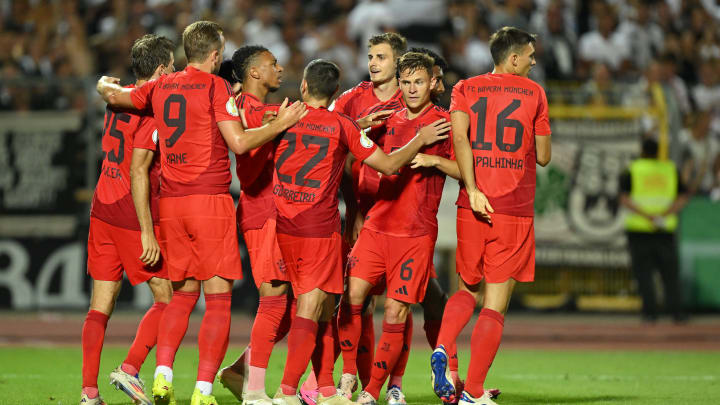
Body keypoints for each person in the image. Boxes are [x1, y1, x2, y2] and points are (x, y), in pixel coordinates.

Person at [96, 21, 306, 405]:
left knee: (180, 296)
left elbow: (120, 97)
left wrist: (103, 86)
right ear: (215, 54)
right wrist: (280, 125)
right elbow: (240, 144)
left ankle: (161, 376)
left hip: (171, 206)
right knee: (219, 299)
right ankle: (203, 391)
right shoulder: (216, 86)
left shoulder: (161, 85)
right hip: (209, 201)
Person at [270, 59, 448, 405]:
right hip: (321, 228)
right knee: (316, 306)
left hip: (279, 223)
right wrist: (420, 142)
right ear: (336, 93)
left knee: (300, 306)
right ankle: (289, 390)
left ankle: (332, 388)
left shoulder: (281, 118)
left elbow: (243, 142)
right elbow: (391, 164)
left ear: (303, 87)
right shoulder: (343, 126)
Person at [430, 26, 551, 405]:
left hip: (472, 204)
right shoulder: (535, 93)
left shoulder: (465, 87)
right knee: (495, 303)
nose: (533, 62)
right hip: (512, 209)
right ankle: (476, 392)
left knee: (467, 288)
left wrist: (473, 188)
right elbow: (545, 156)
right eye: (530, 56)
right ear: (513, 58)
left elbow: (460, 139)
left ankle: (443, 347)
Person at [343, 52, 451, 405]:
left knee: (396, 311)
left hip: (415, 234)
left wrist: (435, 160)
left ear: (432, 83)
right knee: (350, 298)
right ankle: (347, 378)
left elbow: (470, 173)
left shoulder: (444, 123)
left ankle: (375, 390)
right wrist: (359, 126)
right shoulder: (386, 119)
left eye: (418, 82)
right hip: (377, 226)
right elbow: (351, 156)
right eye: (405, 82)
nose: (411, 89)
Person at [80, 34, 175, 405]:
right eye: (172, 66)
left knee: (101, 303)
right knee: (167, 297)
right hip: (130, 212)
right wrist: (148, 232)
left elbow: (104, 86)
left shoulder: (118, 96)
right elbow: (141, 170)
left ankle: (89, 393)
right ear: (164, 69)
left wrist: (102, 83)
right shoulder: (153, 105)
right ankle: (131, 368)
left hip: (101, 205)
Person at [329, 32, 407, 402]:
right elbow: (328, 146)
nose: (373, 62)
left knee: (399, 302)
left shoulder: (410, 96)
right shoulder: (350, 100)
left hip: (402, 217)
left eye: (381, 57)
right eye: (371, 55)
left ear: (399, 63)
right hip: (359, 215)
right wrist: (354, 211)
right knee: (353, 298)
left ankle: (394, 386)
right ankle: (352, 379)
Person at [216, 45, 295, 405]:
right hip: (264, 211)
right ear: (254, 74)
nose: (279, 69)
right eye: (272, 64)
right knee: (275, 297)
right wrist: (283, 121)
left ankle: (240, 370)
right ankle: (254, 392)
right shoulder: (246, 107)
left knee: (297, 308)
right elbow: (247, 149)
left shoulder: (269, 111)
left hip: (287, 212)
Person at [620, 138, 689, 323]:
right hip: (664, 229)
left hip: (639, 230)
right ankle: (676, 313)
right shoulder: (670, 169)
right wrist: (663, 215)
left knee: (644, 275)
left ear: (642, 150)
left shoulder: (633, 169)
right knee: (670, 275)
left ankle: (650, 314)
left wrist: (646, 216)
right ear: (659, 151)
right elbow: (683, 198)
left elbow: (624, 199)